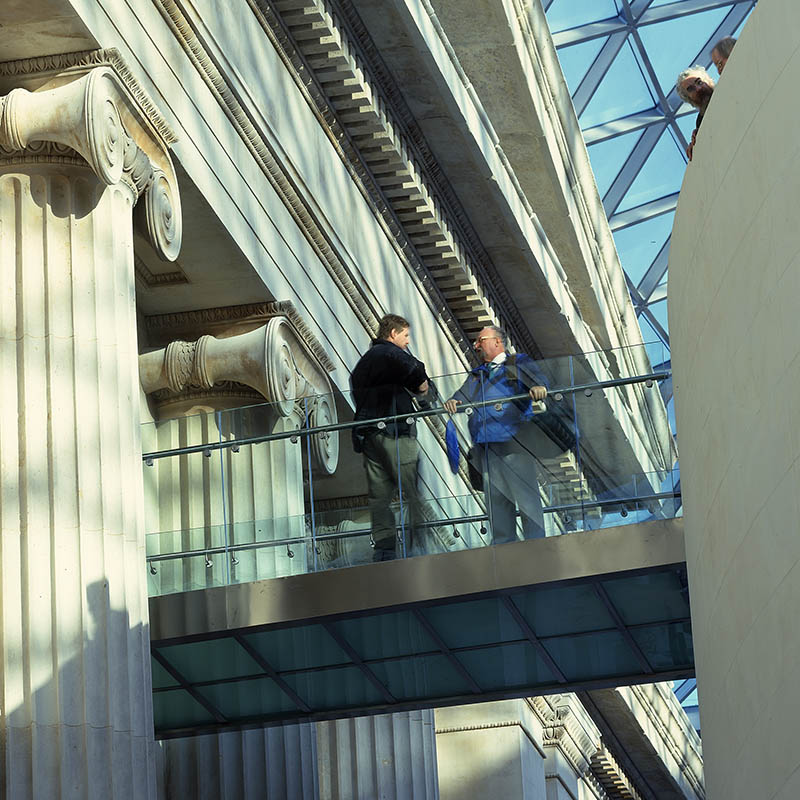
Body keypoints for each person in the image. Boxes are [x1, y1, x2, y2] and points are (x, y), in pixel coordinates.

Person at [444, 326, 548, 544]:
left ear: (498, 342)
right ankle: (503, 547)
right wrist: (454, 401)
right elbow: (460, 397)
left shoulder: (516, 362)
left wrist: (539, 388)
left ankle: (537, 545)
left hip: (514, 442)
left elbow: (538, 379)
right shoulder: (478, 374)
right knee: (497, 502)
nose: (476, 345)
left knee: (526, 499)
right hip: (486, 447)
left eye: (480, 340)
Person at [350, 313, 429, 561]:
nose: (407, 341)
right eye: (406, 336)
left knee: (379, 496)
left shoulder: (363, 364)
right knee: (413, 491)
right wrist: (423, 390)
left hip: (369, 434)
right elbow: (418, 376)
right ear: (393, 334)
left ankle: (384, 548)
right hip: (395, 432)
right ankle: (420, 544)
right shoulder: (390, 354)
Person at [677, 65, 715, 162]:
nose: (698, 89)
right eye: (691, 89)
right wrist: (698, 146)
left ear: (709, 81)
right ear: (689, 99)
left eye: (699, 82)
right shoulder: (700, 122)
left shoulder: (729, 87)